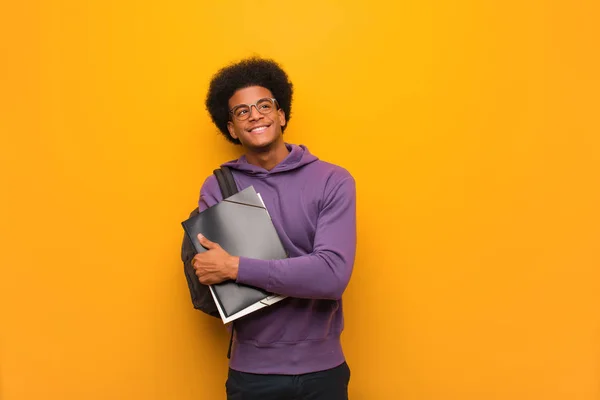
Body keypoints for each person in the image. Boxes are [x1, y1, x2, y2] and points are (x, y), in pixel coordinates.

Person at [191, 57, 356, 400]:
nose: (255, 115)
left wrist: (235, 266)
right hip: (251, 374)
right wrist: (215, 269)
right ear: (232, 129)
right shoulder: (219, 186)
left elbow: (331, 276)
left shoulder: (332, 180)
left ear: (281, 115)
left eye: (264, 105)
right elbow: (214, 277)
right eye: (242, 111)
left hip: (322, 370)